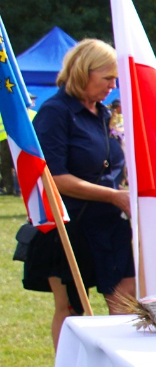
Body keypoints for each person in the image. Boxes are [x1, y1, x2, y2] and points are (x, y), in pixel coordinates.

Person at [24, 40, 134, 347]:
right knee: (71, 309)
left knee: (126, 303)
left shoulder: (103, 114)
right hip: (69, 226)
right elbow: (55, 178)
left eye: (115, 79)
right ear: (83, 72)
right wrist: (113, 196)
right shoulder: (55, 112)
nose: (113, 86)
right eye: (107, 78)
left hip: (111, 225)